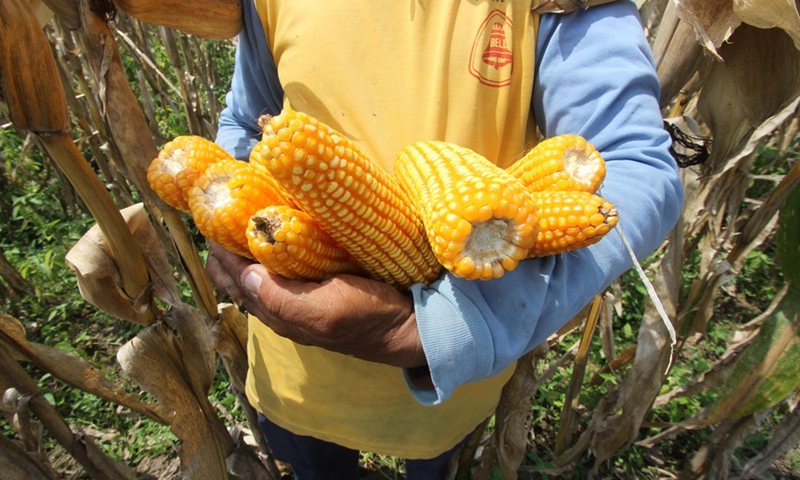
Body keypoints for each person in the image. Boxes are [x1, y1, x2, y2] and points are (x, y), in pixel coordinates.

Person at [206, 1, 684, 478]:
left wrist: (431, 331)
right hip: (297, 374)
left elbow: (634, 164)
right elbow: (250, 122)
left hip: (452, 378)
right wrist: (231, 215)